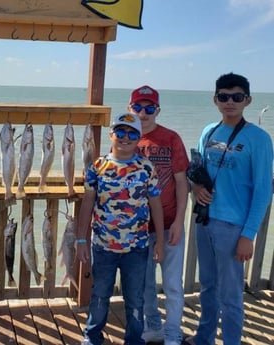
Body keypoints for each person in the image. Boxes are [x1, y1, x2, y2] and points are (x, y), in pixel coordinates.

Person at [185, 73, 273, 345]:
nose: (230, 102)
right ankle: (204, 338)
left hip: (233, 228)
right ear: (216, 100)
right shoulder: (208, 131)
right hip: (205, 222)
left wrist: (248, 235)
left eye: (237, 97)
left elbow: (262, 190)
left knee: (232, 295)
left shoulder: (259, 138)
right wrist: (195, 188)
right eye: (224, 97)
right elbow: (196, 170)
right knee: (208, 288)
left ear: (247, 100)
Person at [76, 112, 165, 345]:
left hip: (137, 248)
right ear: (111, 134)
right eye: (121, 131)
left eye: (132, 133)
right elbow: (87, 202)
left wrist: (161, 242)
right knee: (99, 295)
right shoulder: (97, 167)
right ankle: (92, 337)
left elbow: (156, 204)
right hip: (103, 246)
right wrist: (81, 240)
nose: (126, 137)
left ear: (139, 137)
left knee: (135, 299)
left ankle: (134, 340)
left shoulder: (146, 168)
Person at [127, 85, 189, 345]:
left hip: (169, 224)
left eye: (149, 108)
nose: (144, 113)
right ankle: (153, 326)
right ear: (130, 109)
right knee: (145, 285)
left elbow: (182, 182)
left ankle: (173, 333)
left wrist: (179, 222)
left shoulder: (171, 138)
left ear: (157, 110)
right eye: (138, 107)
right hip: (139, 229)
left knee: (173, 283)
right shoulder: (126, 138)